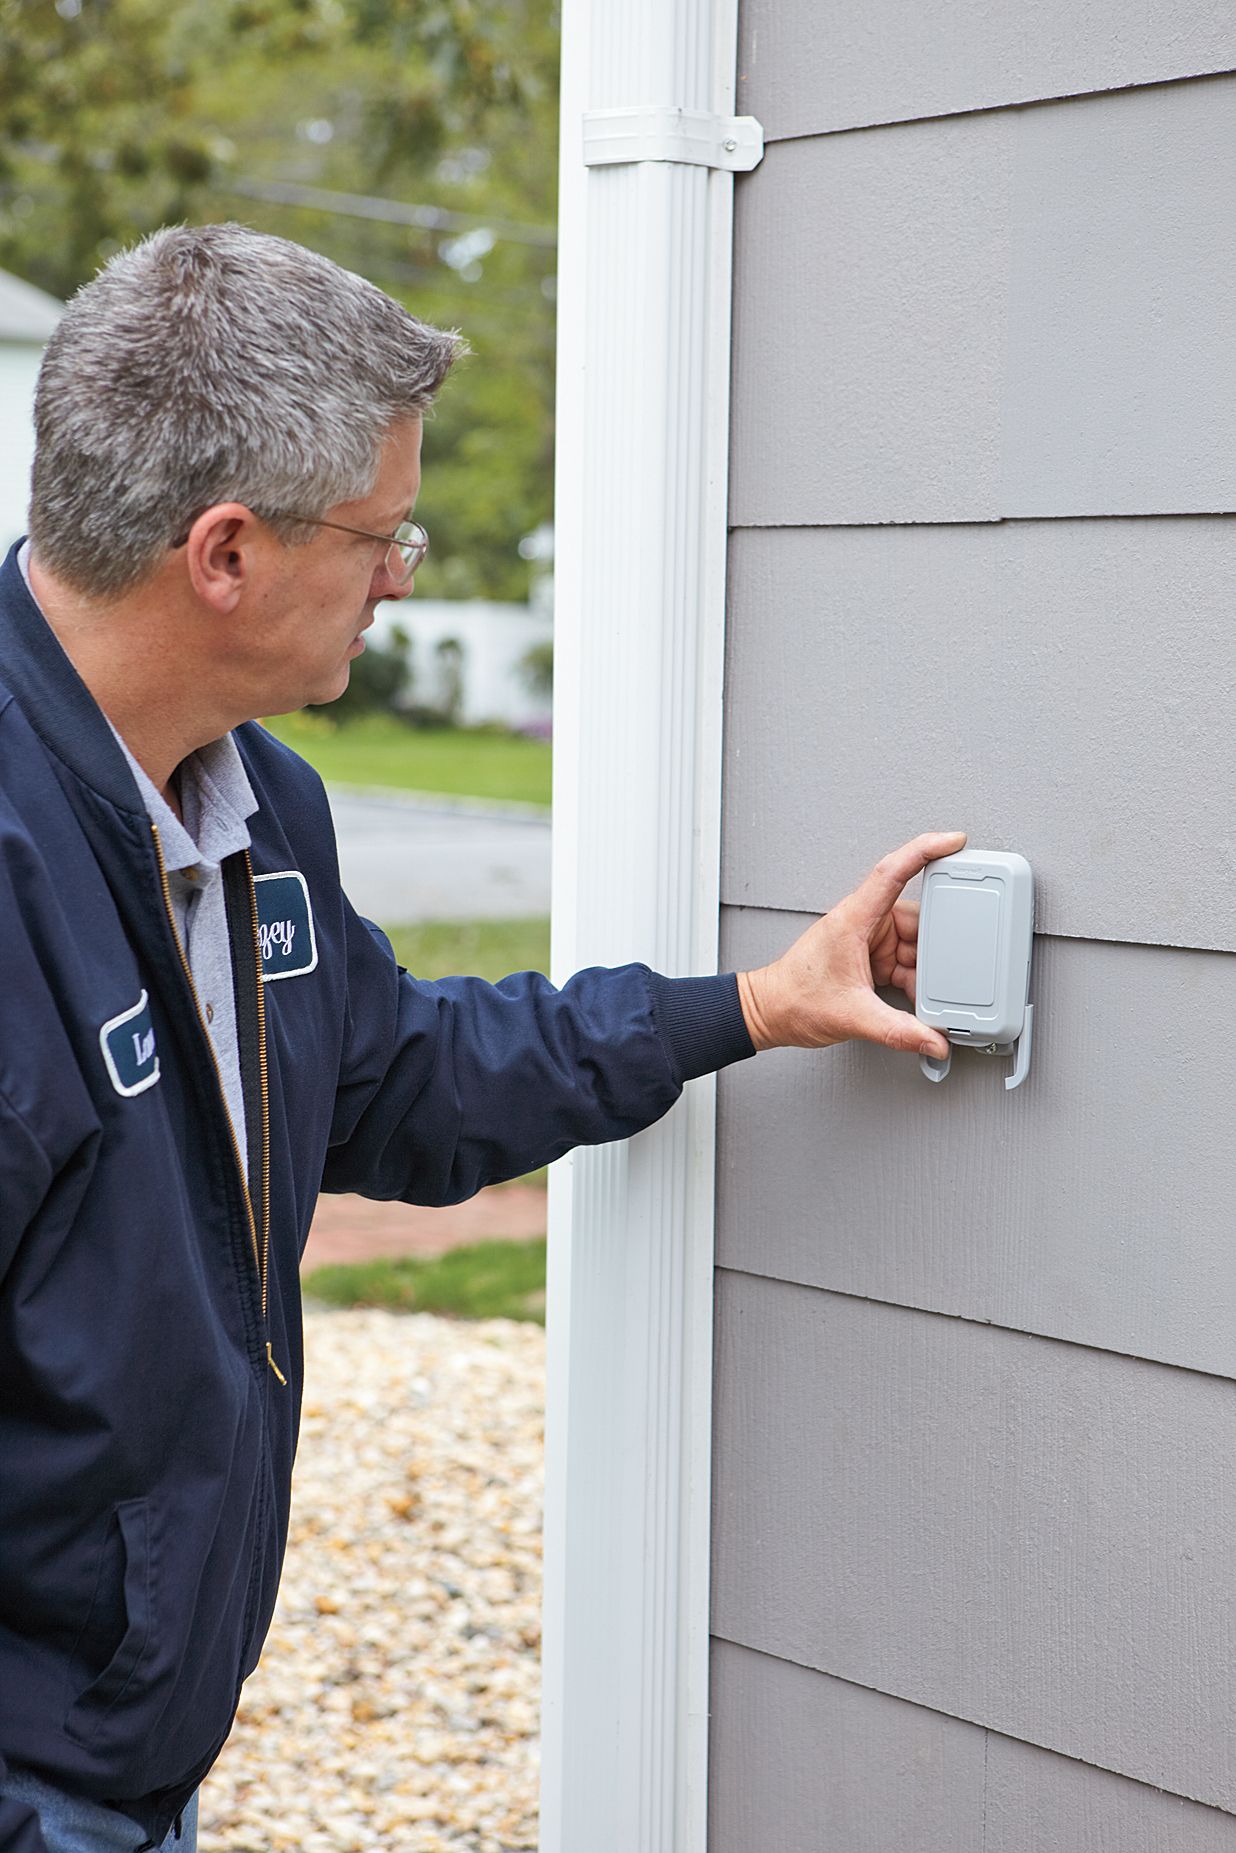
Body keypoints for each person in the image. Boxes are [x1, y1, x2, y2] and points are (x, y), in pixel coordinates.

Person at [0, 222, 962, 1853]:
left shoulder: (254, 806)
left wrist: (750, 1005)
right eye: (381, 532)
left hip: (122, 1752)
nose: (403, 573)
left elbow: (395, 1073)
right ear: (224, 553)